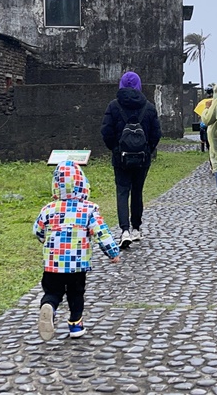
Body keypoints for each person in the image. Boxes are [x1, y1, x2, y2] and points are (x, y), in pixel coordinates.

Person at [34, 160, 121, 340]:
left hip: (53, 264)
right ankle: (75, 324)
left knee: (52, 291)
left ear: (56, 186)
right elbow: (101, 233)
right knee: (76, 293)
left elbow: (38, 230)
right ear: (83, 184)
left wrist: (45, 239)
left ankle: (49, 305)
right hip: (77, 264)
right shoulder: (88, 210)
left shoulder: (48, 209)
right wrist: (112, 253)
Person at [101, 71, 162, 249]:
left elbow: (106, 131)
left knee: (122, 191)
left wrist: (115, 149)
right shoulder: (149, 107)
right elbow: (156, 133)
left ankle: (124, 230)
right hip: (142, 158)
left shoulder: (113, 106)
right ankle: (136, 228)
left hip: (121, 158)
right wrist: (147, 150)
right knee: (137, 191)